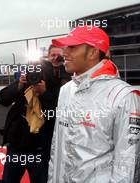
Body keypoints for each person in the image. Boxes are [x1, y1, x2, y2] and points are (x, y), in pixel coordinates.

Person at [47, 25, 140, 182]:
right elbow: (57, 148)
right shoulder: (65, 90)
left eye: (72, 47)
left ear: (93, 52)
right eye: (65, 46)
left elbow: (127, 162)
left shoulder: (123, 96)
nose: (64, 52)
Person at [0, 49, 70, 182]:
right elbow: (3, 99)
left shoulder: (61, 87)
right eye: (52, 55)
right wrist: (19, 85)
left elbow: (58, 112)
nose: (37, 77)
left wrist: (44, 93)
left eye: (59, 57)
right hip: (16, 145)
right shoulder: (25, 82)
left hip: (40, 149)